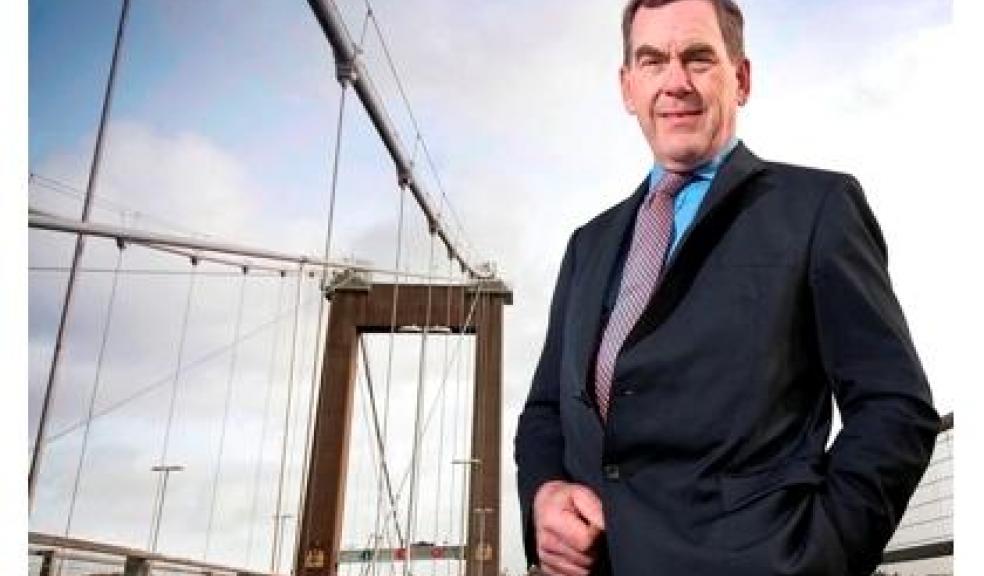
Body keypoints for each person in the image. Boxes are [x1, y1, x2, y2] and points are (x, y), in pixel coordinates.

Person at [513, 1, 941, 575]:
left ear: (740, 79)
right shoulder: (586, 246)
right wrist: (544, 495)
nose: (675, 82)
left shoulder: (818, 209)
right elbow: (546, 412)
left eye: (698, 58)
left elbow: (895, 407)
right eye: (652, 61)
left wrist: (820, 555)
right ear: (628, 87)